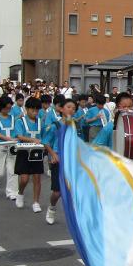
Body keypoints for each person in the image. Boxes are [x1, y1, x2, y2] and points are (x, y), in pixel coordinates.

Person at [43, 95, 77, 225]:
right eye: (68, 107)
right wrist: (53, 155)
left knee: (71, 190)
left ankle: (74, 216)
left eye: (74, 108)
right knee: (57, 192)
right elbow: (46, 142)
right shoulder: (55, 125)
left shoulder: (74, 125)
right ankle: (52, 208)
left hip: (71, 160)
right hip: (58, 160)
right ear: (61, 109)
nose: (71, 110)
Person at [14, 97, 44, 212]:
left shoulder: (40, 121)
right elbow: (19, 136)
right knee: (24, 179)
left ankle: (36, 202)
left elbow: (44, 135)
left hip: (37, 152)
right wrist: (33, 140)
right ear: (26, 109)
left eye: (37, 110)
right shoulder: (20, 121)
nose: (35, 112)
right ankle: (20, 193)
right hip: (24, 151)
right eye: (32, 109)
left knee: (37, 178)